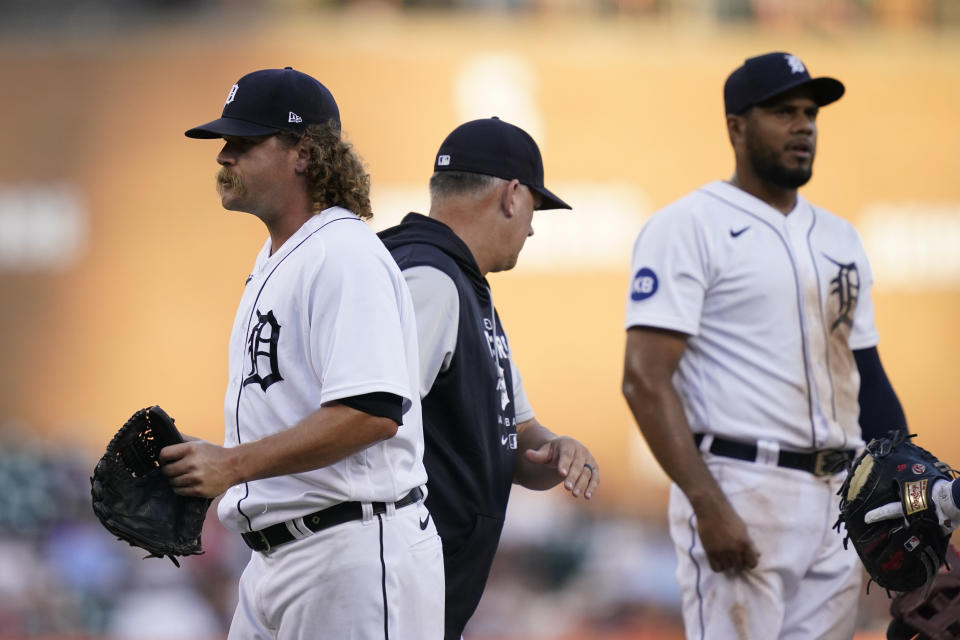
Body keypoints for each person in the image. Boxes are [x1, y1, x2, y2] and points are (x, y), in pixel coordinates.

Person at [621, 52, 911, 640]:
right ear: (736, 126)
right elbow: (643, 378)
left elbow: (866, 373)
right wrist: (706, 503)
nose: (803, 125)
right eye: (783, 111)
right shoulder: (688, 226)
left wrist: (903, 476)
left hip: (838, 496)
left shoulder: (840, 237)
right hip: (739, 485)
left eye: (810, 113)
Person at [159, 67, 444, 639]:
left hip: (354, 554)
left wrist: (231, 465)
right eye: (224, 143)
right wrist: (209, 457)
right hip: (277, 560)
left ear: (305, 153)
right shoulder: (282, 256)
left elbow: (373, 412)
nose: (224, 156)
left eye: (244, 142)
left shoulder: (344, 254)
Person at [378, 117, 600, 639]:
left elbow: (519, 435)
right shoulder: (429, 280)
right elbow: (363, 420)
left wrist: (556, 449)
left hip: (424, 588)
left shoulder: (462, 284)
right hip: (396, 581)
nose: (531, 228)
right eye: (533, 211)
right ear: (512, 195)